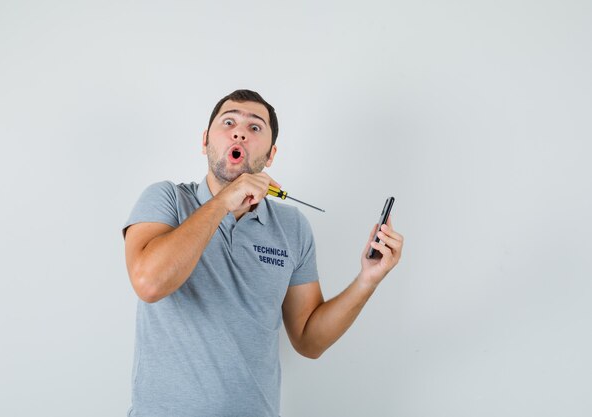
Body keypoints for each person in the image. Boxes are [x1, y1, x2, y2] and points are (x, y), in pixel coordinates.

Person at [122, 89, 404, 417]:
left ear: (270, 155)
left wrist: (367, 280)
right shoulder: (166, 199)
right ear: (204, 142)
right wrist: (224, 201)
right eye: (228, 122)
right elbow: (149, 283)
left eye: (255, 127)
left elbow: (309, 341)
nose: (239, 131)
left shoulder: (292, 227)